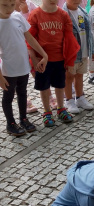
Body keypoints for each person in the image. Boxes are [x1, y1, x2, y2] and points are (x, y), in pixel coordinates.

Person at [27, 0, 80, 126]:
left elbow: (70, 39)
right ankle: (47, 111)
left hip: (60, 58)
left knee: (60, 85)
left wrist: (70, 61)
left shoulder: (63, 15)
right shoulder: (35, 14)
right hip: (42, 61)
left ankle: (61, 108)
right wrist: (33, 59)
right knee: (44, 87)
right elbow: (29, 39)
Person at [0, 0, 48, 136]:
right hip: (8, 68)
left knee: (22, 92)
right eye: (4, 5)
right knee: (8, 96)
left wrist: (44, 54)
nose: (9, 8)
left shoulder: (17, 16)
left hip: (23, 65)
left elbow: (29, 38)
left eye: (11, 4)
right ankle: (10, 123)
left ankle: (23, 118)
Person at [14, 0, 58, 114]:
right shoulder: (7, 9)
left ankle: (49, 97)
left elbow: (35, 22)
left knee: (38, 72)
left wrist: (26, 12)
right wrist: (23, 13)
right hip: (15, 50)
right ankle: (26, 102)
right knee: (19, 78)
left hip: (32, 47)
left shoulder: (30, 5)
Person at [62, 0, 94, 114]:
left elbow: (89, 33)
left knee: (80, 75)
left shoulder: (82, 11)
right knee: (69, 76)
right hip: (72, 52)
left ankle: (80, 97)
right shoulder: (63, 13)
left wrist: (92, 50)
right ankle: (69, 100)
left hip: (84, 50)